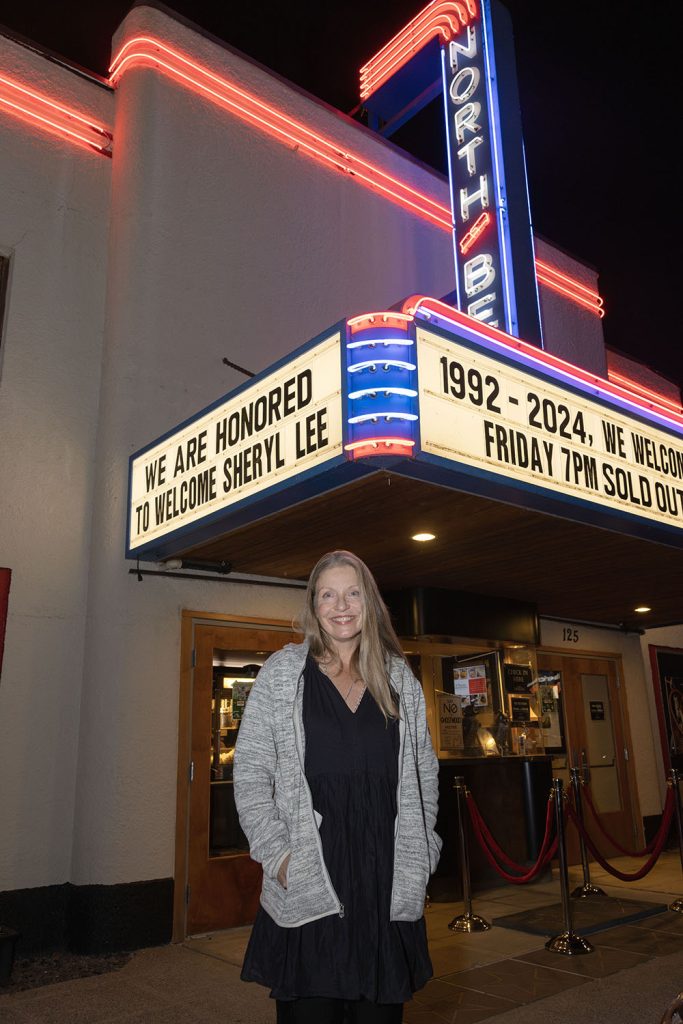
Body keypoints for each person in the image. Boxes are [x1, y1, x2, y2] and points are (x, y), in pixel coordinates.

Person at [234, 550, 442, 1024]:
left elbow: (422, 773)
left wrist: (422, 850)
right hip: (310, 881)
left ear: (369, 602)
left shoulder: (399, 679)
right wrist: (279, 856)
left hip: (383, 884)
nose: (341, 605)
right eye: (328, 594)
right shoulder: (283, 674)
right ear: (313, 605)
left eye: (352, 593)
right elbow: (250, 774)